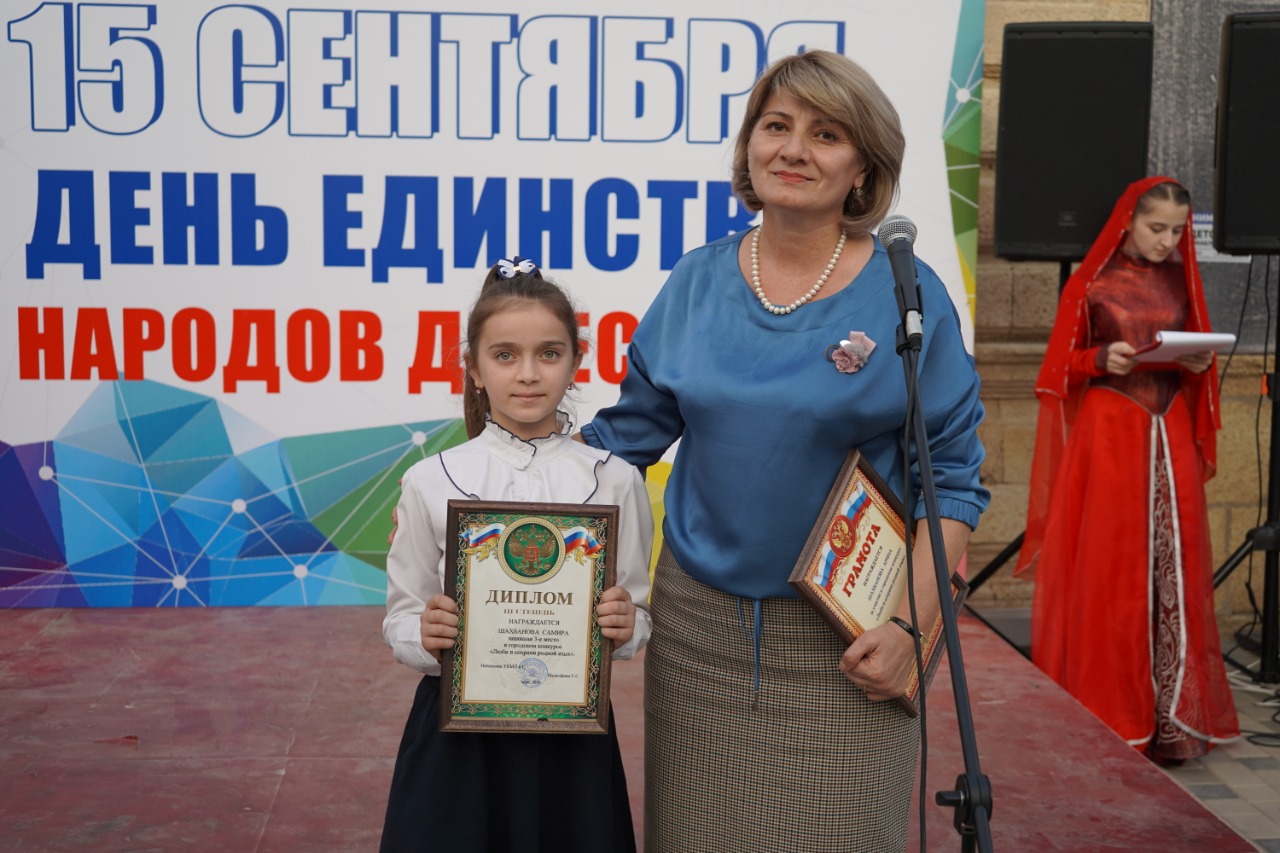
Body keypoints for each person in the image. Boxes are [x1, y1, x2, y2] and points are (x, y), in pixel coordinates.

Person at [578, 50, 988, 852]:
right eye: (776, 126)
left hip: (854, 638)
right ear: (750, 146)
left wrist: (911, 626)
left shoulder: (908, 293)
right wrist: (492, 475)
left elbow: (952, 480)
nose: (794, 149)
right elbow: (624, 439)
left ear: (863, 167)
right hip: (698, 635)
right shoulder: (695, 282)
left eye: (826, 134)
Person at [379, 258, 654, 852]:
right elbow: (401, 617)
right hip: (457, 741)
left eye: (549, 354)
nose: (528, 374)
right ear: (473, 368)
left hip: (573, 740)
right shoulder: (431, 480)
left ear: (577, 361)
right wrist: (424, 635)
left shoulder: (615, 480)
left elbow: (636, 615)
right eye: (504, 355)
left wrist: (625, 624)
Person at [1015, 177, 1240, 764]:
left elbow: (1190, 359)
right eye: (1156, 227)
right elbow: (1054, 370)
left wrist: (1195, 363)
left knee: (1175, 566)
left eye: (1177, 230)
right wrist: (1097, 358)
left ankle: (1173, 719)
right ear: (1127, 222)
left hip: (1169, 432)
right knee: (1113, 569)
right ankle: (1116, 715)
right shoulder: (1092, 282)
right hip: (1112, 432)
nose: (1167, 240)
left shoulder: (1182, 281)